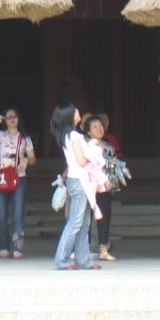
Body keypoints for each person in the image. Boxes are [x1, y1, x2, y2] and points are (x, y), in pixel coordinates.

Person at [50, 102, 99, 271]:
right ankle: (62, 259)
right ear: (71, 116)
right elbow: (81, 160)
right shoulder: (75, 136)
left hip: (75, 180)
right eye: (77, 111)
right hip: (80, 180)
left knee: (82, 223)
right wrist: (93, 157)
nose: (79, 113)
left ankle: (83, 260)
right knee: (77, 222)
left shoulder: (67, 135)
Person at [0, 108, 35, 258]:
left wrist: (26, 160)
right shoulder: (0, 135)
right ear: (5, 119)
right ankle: (3, 246)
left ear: (18, 119)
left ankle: (17, 247)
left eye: (14, 116)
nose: (12, 119)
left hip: (19, 178)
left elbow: (32, 157)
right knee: (2, 215)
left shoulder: (25, 138)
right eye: (9, 117)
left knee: (18, 215)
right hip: (3, 177)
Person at [86, 114, 120, 261]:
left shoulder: (109, 146)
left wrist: (115, 179)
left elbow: (113, 167)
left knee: (104, 218)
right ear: (88, 132)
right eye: (95, 127)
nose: (99, 129)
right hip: (89, 186)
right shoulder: (85, 146)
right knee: (85, 219)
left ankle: (103, 250)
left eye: (100, 126)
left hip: (105, 186)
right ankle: (83, 248)